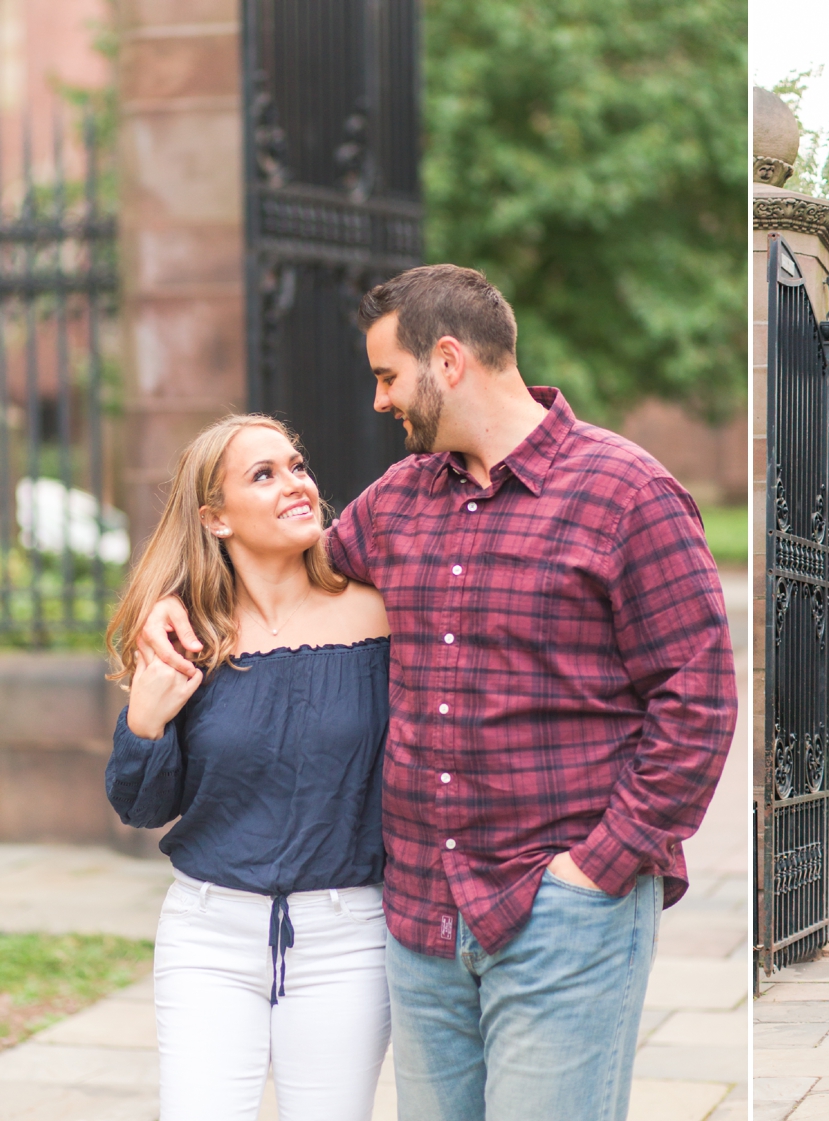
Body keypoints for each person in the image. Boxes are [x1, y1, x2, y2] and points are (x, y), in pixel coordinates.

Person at [135, 264, 737, 1121]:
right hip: (419, 919)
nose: (380, 400)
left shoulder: (626, 493)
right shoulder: (398, 503)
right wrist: (174, 601)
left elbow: (699, 702)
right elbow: (278, 576)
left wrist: (597, 868)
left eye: (387, 375)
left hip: (561, 908)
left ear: (446, 361)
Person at [104, 415, 393, 1120]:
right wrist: (146, 717)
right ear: (215, 518)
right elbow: (142, 806)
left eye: (297, 466)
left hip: (348, 933)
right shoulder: (185, 635)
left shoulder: (379, 614)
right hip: (208, 932)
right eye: (263, 475)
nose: (295, 484)